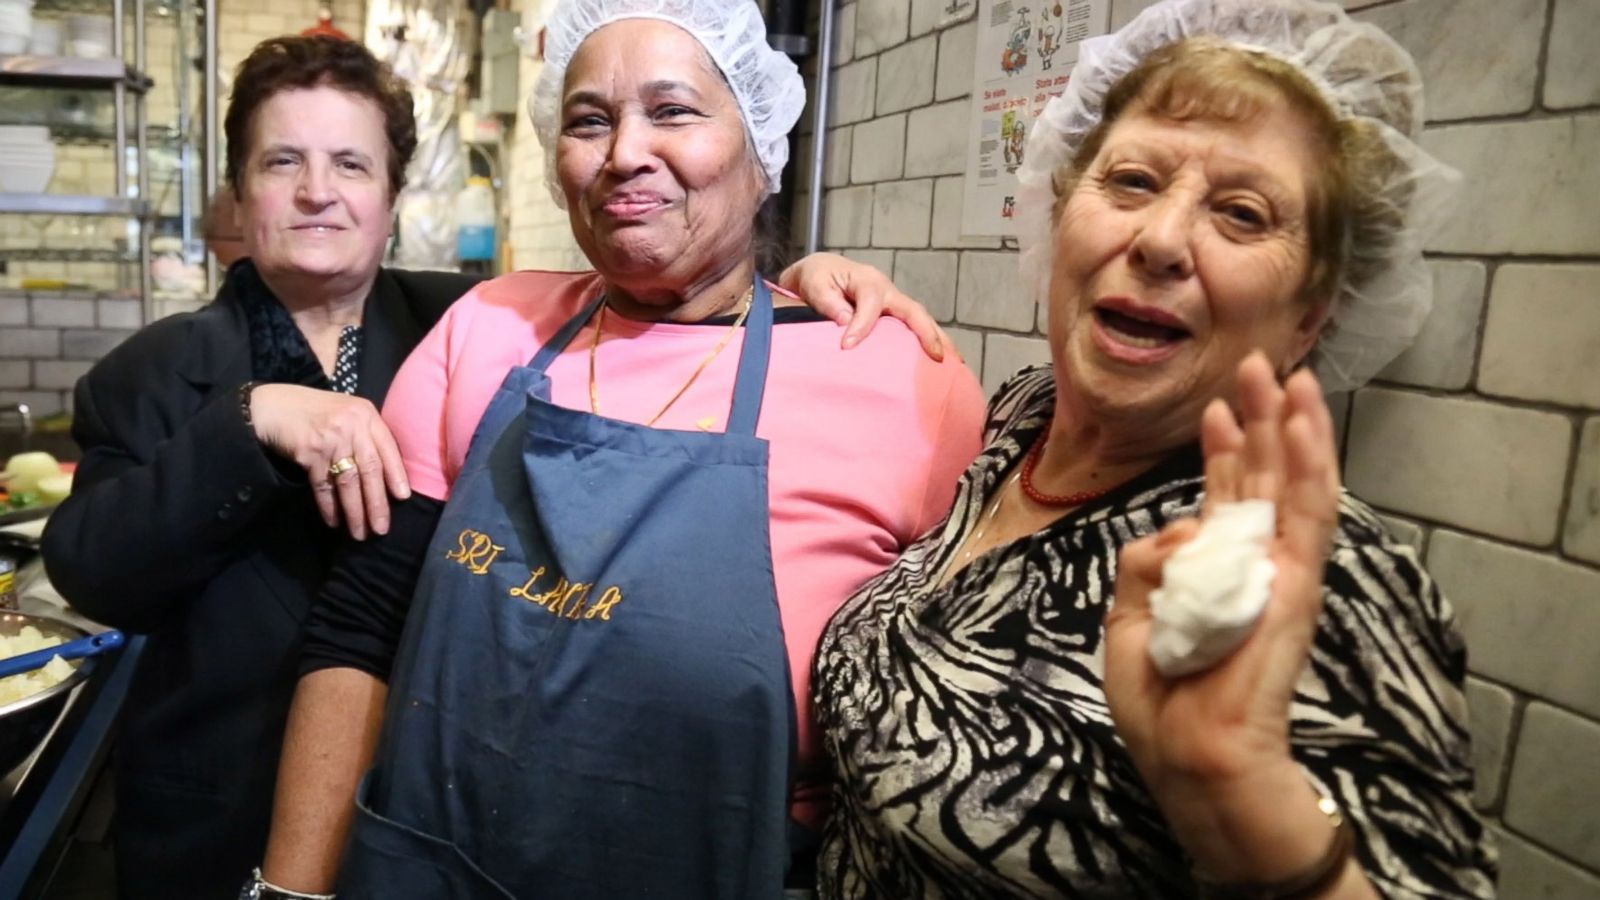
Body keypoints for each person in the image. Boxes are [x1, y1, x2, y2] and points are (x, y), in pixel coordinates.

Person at [253, 0, 987, 896]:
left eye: (673, 111)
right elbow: (362, 630)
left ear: (759, 148)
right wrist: (290, 890)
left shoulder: (896, 379)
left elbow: (945, 726)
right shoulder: (485, 329)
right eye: (589, 120)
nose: (623, 153)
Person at [812, 0, 1497, 897]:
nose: (1163, 239)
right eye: (1132, 181)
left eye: (1245, 214)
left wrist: (1254, 822)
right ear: (1060, 219)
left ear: (1310, 318)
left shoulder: (1317, 582)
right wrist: (798, 294)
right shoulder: (1022, 423)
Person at [37, 35, 483, 899]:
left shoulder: (468, 324)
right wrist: (248, 422)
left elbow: (641, 312)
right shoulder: (150, 372)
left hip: (433, 819)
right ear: (241, 192)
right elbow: (93, 569)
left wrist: (793, 292)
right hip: (219, 825)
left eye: (351, 164)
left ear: (391, 194)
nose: (319, 191)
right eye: (284, 161)